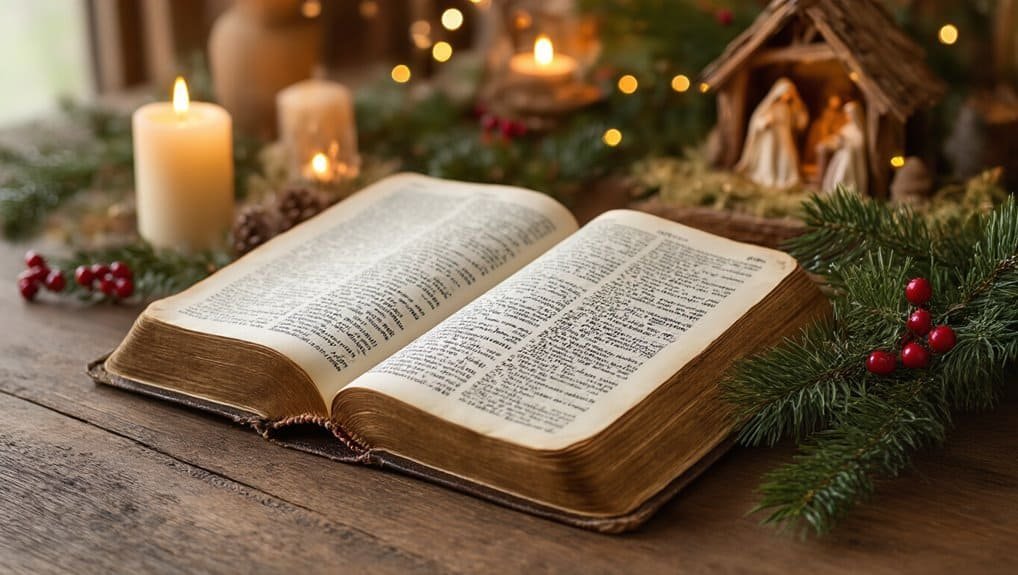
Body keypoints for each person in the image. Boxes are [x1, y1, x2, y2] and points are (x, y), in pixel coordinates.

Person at [735, 78, 809, 188]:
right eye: (786, 92)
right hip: (771, 138)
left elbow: (796, 122)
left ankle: (787, 179)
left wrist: (800, 115)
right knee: (770, 157)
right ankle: (770, 177)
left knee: (786, 157)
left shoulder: (789, 107)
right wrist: (765, 121)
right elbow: (757, 120)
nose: (788, 95)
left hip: (784, 136)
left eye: (790, 93)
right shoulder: (770, 106)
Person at [820, 101, 868, 195]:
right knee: (839, 169)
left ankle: (847, 189)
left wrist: (846, 141)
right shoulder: (847, 127)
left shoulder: (859, 129)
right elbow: (839, 140)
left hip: (851, 157)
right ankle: (837, 188)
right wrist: (838, 140)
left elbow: (859, 144)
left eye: (850, 114)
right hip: (842, 154)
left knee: (845, 168)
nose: (848, 116)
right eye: (847, 114)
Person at [805, 94, 847, 168]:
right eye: (833, 101)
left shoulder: (842, 114)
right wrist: (826, 136)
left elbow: (842, 127)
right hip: (828, 137)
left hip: (837, 138)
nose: (835, 103)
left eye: (836, 101)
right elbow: (825, 127)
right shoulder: (827, 113)